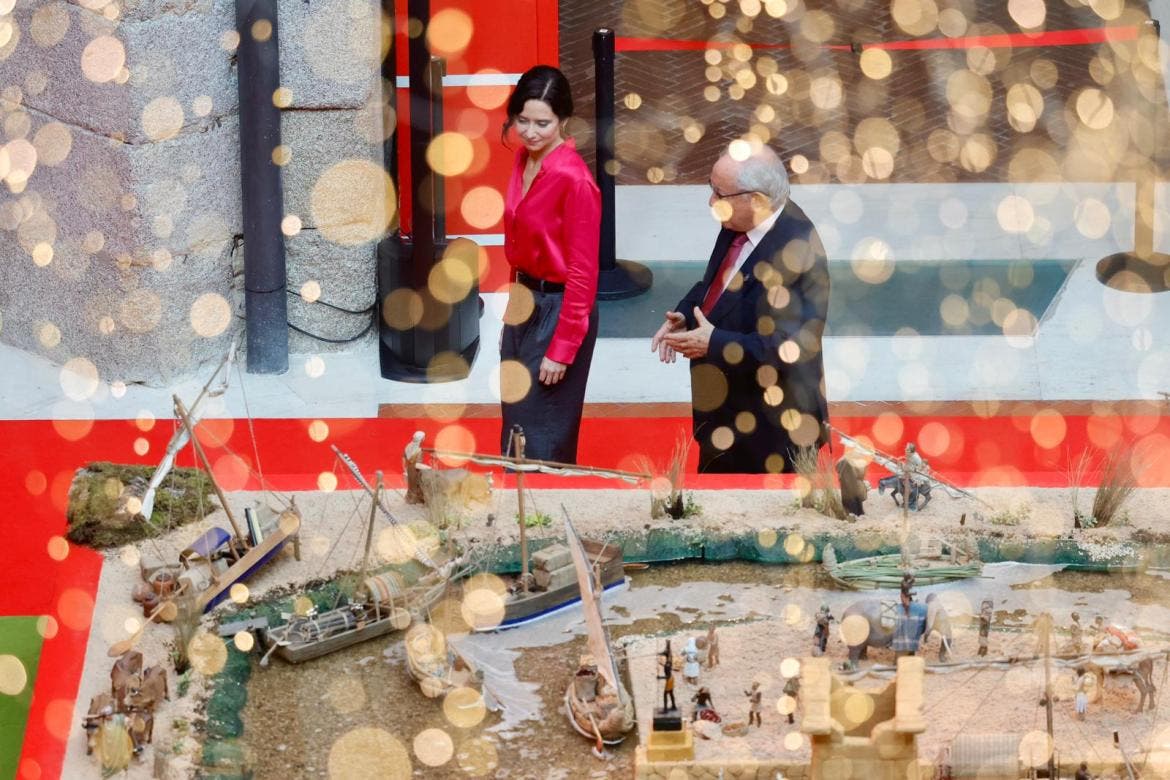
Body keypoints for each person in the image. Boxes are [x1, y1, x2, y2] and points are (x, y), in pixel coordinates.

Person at [651, 142, 830, 473]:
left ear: (758, 200)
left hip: (772, 433)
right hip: (724, 418)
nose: (711, 203)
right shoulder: (738, 221)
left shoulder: (798, 252)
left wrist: (713, 342)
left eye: (720, 194)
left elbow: (790, 348)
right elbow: (719, 282)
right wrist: (686, 313)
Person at [500, 65, 601, 463]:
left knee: (539, 432)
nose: (530, 132)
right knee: (516, 422)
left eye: (542, 123)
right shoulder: (524, 159)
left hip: (560, 311)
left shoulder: (574, 180)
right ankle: (519, 517)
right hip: (525, 301)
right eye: (522, 120)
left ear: (563, 121)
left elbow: (583, 273)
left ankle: (546, 519)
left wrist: (563, 346)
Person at [658, 640, 677, 711]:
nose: (663, 652)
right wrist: (658, 653)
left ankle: (665, 709)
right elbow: (665, 651)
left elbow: (667, 676)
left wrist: (660, 677)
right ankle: (674, 706)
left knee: (665, 694)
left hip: (669, 680)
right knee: (671, 693)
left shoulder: (667, 665)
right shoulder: (669, 654)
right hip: (671, 679)